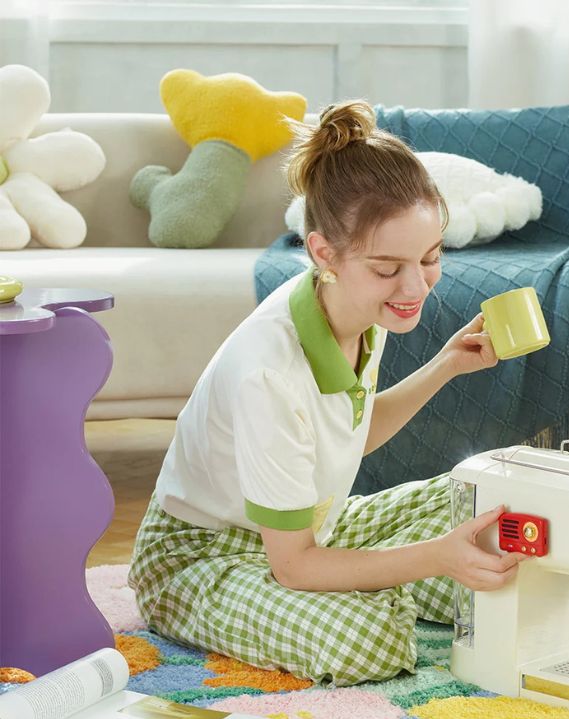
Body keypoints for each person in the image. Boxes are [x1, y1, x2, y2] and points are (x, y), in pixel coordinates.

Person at [128, 100, 525, 686]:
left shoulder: (357, 309)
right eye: (388, 268)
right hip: (205, 559)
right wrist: (434, 556)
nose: (415, 286)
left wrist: (446, 365)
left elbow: (347, 433)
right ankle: (384, 593)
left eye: (430, 258)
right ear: (324, 254)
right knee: (370, 639)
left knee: (488, 504)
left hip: (312, 527)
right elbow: (293, 566)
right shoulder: (270, 372)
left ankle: (388, 581)